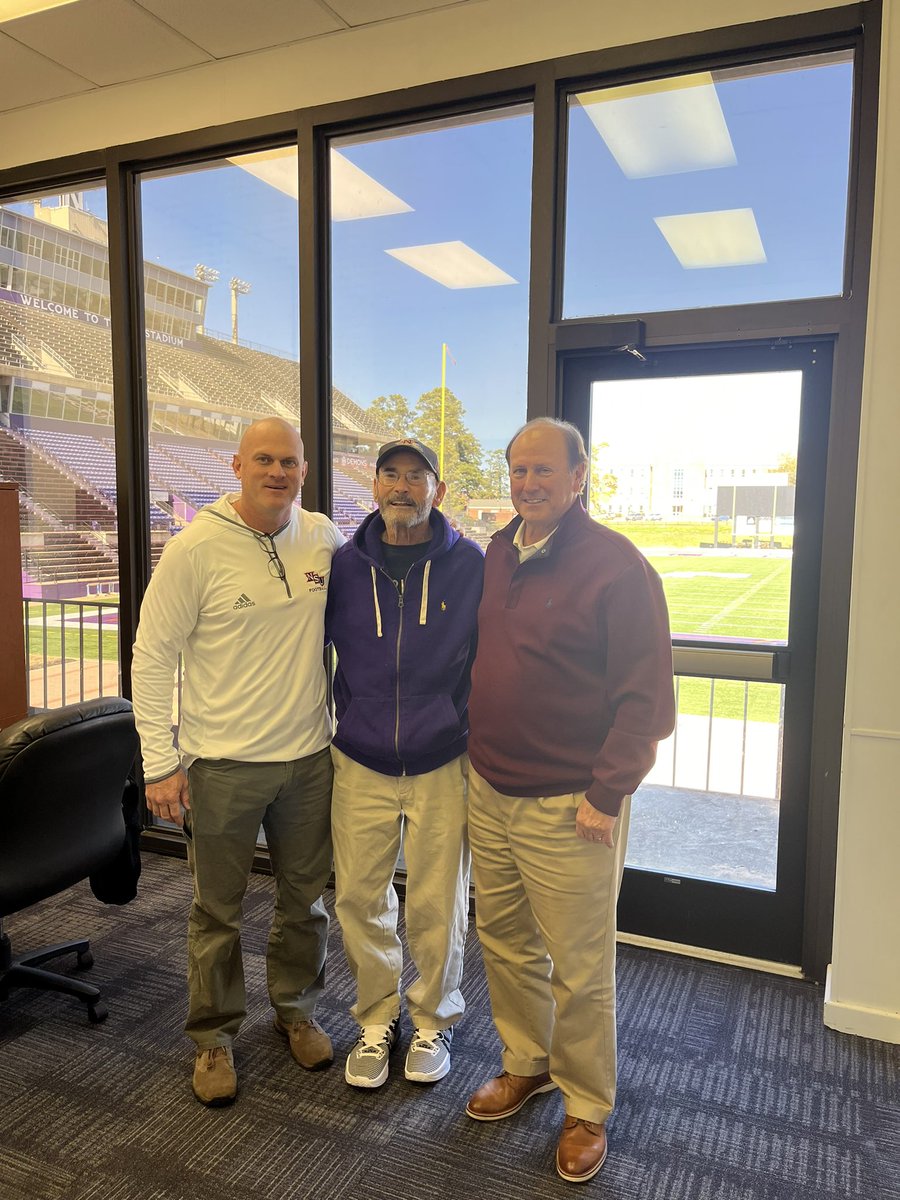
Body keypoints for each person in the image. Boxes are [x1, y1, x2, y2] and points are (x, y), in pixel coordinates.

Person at [464, 417, 675, 1183]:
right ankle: (528, 1063)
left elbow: (647, 702)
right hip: (488, 789)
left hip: (571, 805)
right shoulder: (496, 551)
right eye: (518, 470)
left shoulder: (618, 568)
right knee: (506, 944)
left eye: (544, 471)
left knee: (580, 968)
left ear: (581, 477)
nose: (528, 484)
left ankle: (586, 1106)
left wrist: (607, 794)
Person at [131, 417, 343, 1107]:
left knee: (304, 900)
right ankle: (214, 1038)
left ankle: (295, 1010)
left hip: (309, 759)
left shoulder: (323, 538)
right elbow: (152, 655)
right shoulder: (194, 549)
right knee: (216, 911)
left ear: (304, 470)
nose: (277, 471)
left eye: (288, 461)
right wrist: (160, 763)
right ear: (236, 466)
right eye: (263, 459)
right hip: (222, 765)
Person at [326, 438, 484, 1089]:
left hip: (442, 761)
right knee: (361, 899)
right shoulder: (342, 565)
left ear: (437, 491)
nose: (401, 486)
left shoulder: (470, 564)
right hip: (360, 759)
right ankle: (375, 1020)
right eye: (389, 474)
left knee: (436, 904)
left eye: (415, 477)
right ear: (374, 485)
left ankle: (433, 1022)